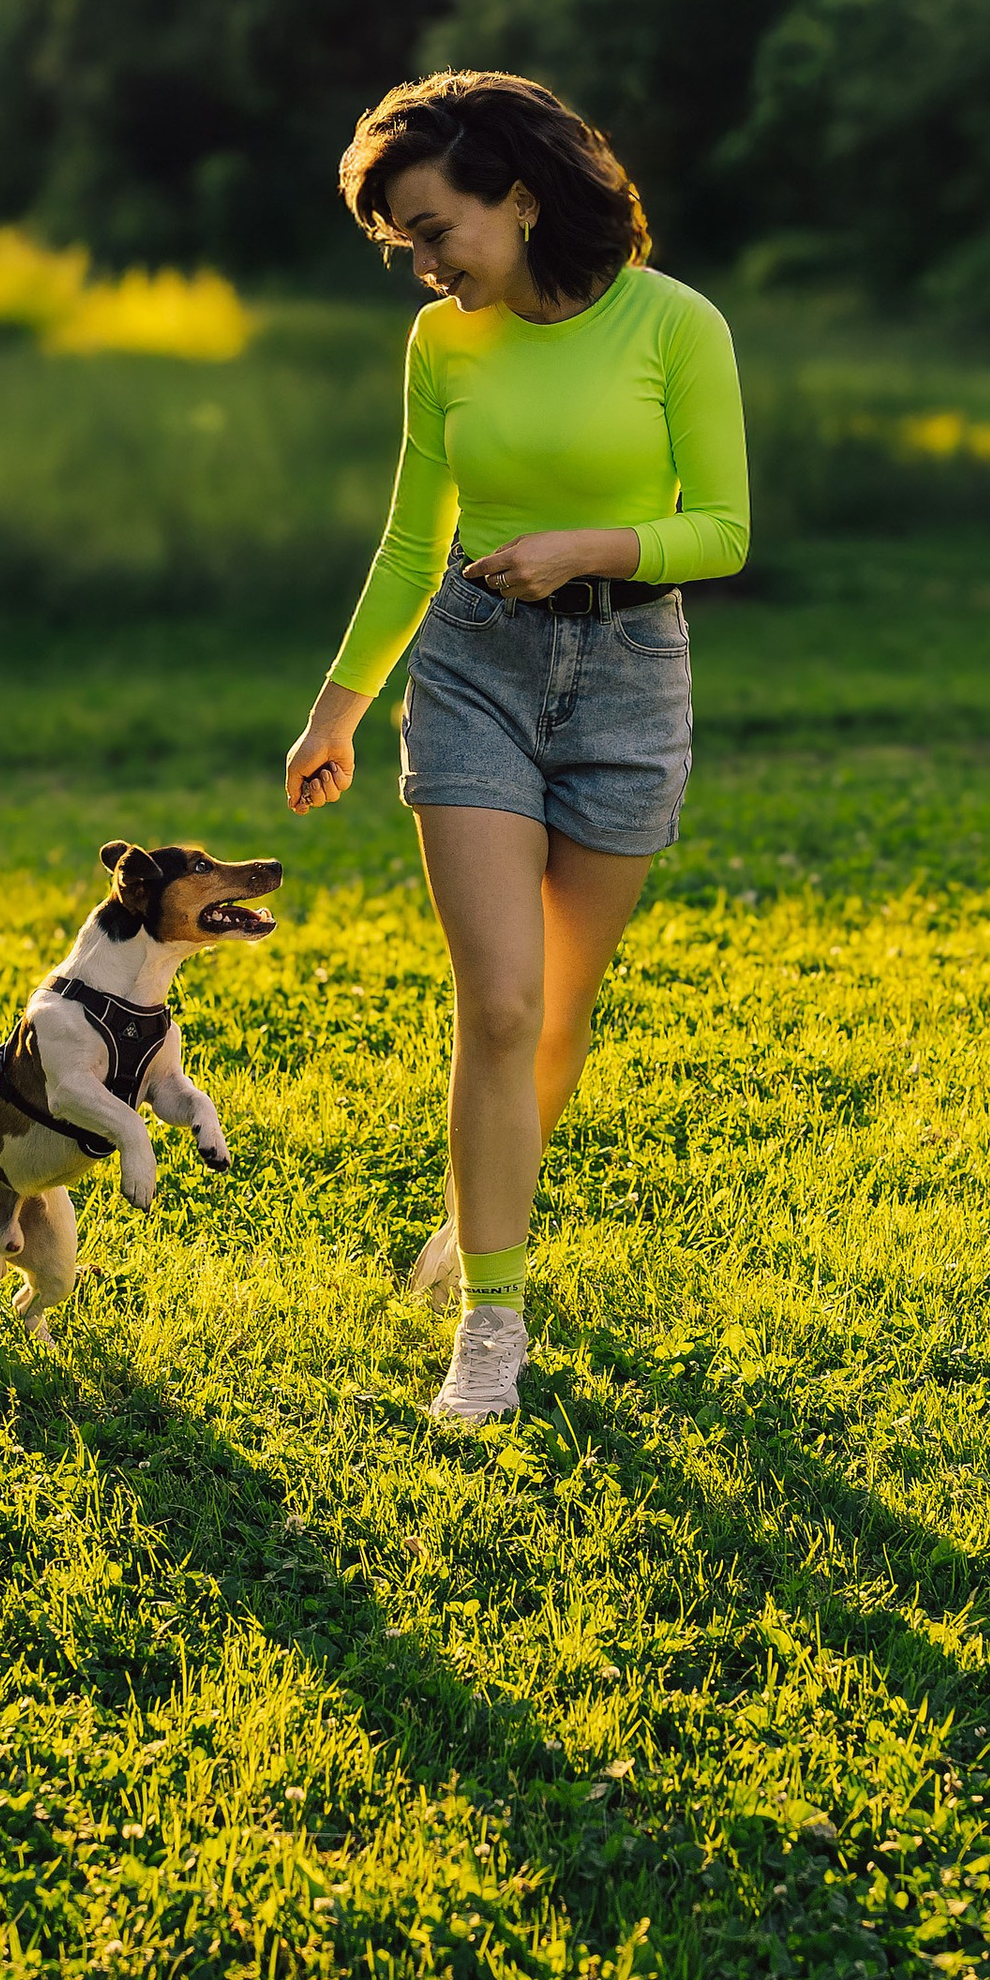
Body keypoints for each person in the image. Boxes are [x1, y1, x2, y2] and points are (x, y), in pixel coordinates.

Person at [283, 70, 751, 1421]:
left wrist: (585, 550)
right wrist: (337, 710)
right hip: (473, 667)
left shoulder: (676, 325)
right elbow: (410, 537)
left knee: (551, 1015)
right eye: (404, 245)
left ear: (523, 199)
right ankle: (492, 1321)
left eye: (436, 232)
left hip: (628, 681)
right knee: (496, 1003)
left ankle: (472, 1212)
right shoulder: (444, 346)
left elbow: (723, 530)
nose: (424, 267)